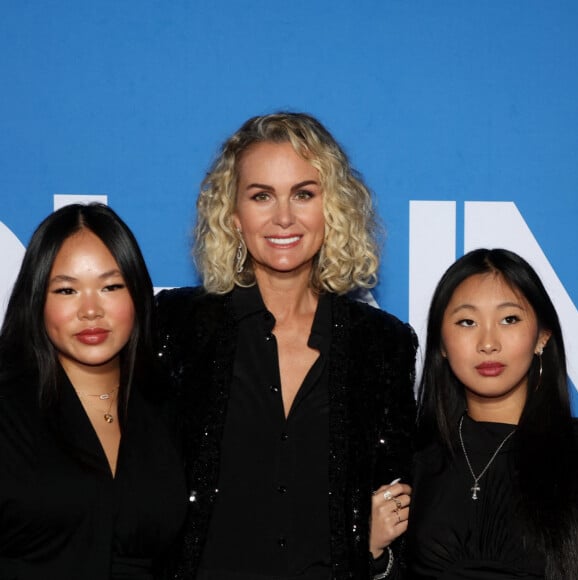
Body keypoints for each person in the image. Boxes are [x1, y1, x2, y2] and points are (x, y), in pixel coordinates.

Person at [155, 112, 418, 579]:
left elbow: (396, 533)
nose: (283, 217)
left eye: (304, 194)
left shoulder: (383, 347)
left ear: (332, 207)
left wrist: (371, 548)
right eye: (261, 196)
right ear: (233, 215)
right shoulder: (175, 329)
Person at [0, 203, 188, 579]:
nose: (90, 310)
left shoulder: (171, 411)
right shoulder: (7, 410)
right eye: (67, 289)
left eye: (110, 286)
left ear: (137, 294)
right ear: (37, 299)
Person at [406, 248, 578, 579]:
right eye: (467, 322)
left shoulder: (574, 452)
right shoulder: (410, 459)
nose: (488, 342)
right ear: (442, 343)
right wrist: (371, 552)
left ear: (542, 336)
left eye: (509, 319)